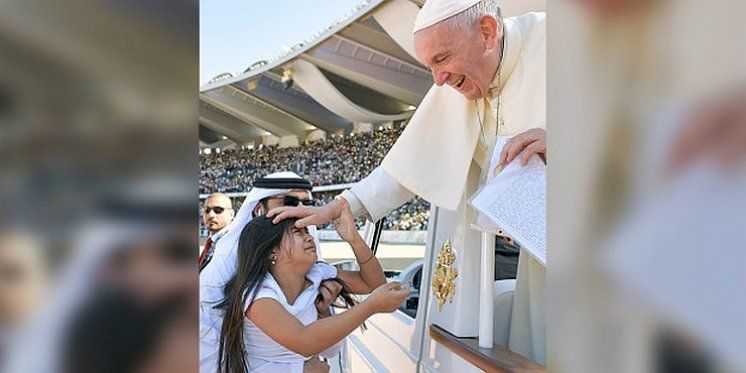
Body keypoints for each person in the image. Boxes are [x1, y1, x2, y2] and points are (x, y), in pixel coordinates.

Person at [269, 0, 547, 364]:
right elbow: (404, 169)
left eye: (442, 59)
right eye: (429, 66)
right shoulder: (452, 85)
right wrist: (340, 206)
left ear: (487, 32)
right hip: (539, 266)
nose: (438, 79)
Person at [216, 197, 409, 372]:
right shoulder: (256, 294)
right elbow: (305, 341)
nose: (309, 237)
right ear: (271, 252)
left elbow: (373, 283)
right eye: (297, 233)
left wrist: (354, 239)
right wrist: (371, 306)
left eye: (306, 231)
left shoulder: (317, 272)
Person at [200, 172, 338, 372]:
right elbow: (207, 355)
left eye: (307, 203)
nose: (300, 211)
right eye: (289, 202)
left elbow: (330, 350)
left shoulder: (308, 262)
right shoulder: (220, 274)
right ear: (258, 209)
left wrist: (324, 313)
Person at [199, 193, 235, 271]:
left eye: (218, 210)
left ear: (231, 214)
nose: (211, 215)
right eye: (206, 210)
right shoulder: (213, 241)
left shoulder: (234, 244)